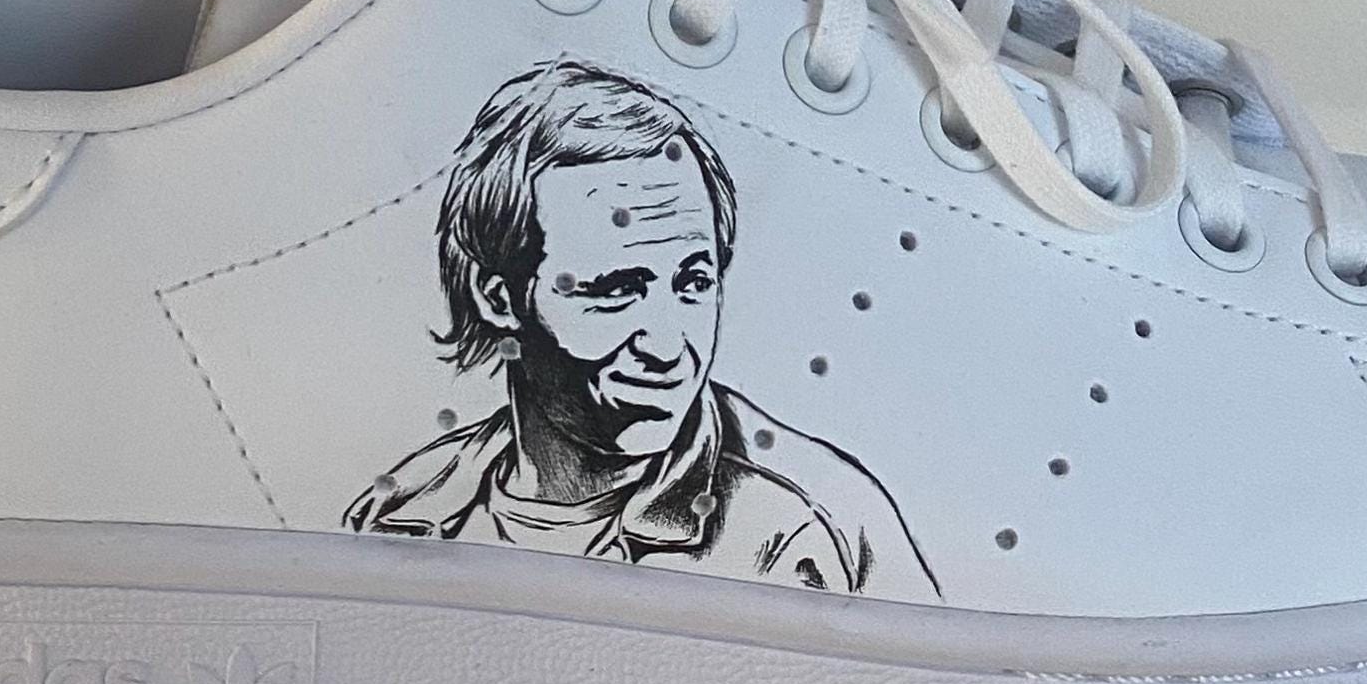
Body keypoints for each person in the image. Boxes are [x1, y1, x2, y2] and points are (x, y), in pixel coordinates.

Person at [346, 59, 938, 596]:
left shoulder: (816, 525)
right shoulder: (403, 509)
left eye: (693, 283)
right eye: (615, 290)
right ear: (499, 298)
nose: (666, 345)